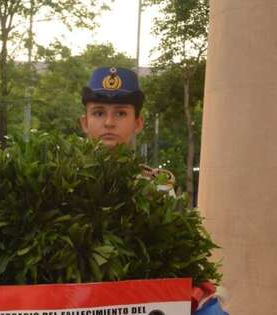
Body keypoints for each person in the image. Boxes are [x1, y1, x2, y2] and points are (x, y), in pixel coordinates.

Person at [79, 67, 227, 315]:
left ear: (138, 123)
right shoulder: (59, 185)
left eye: (121, 113)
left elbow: (179, 256)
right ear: (84, 123)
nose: (108, 122)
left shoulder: (157, 187)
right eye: (98, 112)